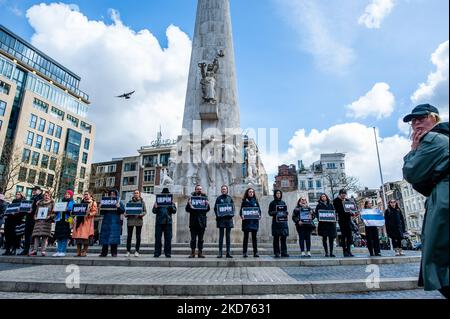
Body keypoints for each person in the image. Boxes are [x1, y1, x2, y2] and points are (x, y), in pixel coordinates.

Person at [402, 104, 449, 298]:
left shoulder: (433, 139)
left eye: (421, 118)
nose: (415, 123)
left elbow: (412, 172)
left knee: (437, 260)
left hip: (444, 200)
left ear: (434, 118)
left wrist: (413, 150)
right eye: (413, 121)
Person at [185, 185, 210, 258]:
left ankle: (200, 253)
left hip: (202, 222)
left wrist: (207, 204)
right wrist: (189, 204)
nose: (199, 190)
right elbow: (187, 209)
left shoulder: (204, 198)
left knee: (201, 239)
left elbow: (207, 209)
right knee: (193, 239)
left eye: (200, 189)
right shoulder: (191, 198)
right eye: (198, 189)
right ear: (195, 190)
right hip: (193, 222)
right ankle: (192, 253)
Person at [99, 189, 125, 257]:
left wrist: (119, 207)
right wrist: (100, 207)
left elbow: (123, 211)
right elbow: (102, 213)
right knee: (105, 237)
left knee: (114, 237)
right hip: (106, 221)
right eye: (111, 193)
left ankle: (114, 252)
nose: (112, 195)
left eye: (113, 194)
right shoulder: (105, 202)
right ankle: (104, 252)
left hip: (115, 221)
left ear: (116, 195)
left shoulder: (119, 202)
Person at [152, 188, 177, 258]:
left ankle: (168, 253)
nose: (165, 195)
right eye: (164, 194)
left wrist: (171, 205)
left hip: (168, 222)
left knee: (168, 239)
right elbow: (154, 211)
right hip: (159, 222)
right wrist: (156, 207)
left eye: (167, 194)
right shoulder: (158, 201)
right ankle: (157, 253)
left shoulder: (171, 202)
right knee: (157, 239)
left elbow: (174, 211)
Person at [18, 186, 43, 255]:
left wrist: (33, 210)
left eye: (35, 190)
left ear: (40, 190)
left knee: (33, 235)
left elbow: (41, 208)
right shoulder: (32, 198)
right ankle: (26, 250)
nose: (33, 191)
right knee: (27, 234)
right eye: (33, 190)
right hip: (29, 218)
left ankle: (33, 250)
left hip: (35, 219)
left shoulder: (41, 198)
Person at [72, 191, 97, 257]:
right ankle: (78, 252)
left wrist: (89, 214)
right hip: (79, 222)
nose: (85, 195)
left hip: (87, 222)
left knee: (86, 238)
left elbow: (94, 211)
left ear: (90, 195)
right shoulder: (81, 202)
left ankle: (84, 251)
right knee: (78, 238)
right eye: (84, 194)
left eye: (86, 194)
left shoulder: (92, 202)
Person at [29, 191, 54, 256]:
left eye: (48, 195)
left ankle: (43, 250)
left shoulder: (52, 203)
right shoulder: (39, 203)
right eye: (45, 195)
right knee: (36, 236)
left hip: (46, 222)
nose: (46, 196)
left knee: (44, 237)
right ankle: (35, 250)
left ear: (50, 196)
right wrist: (35, 216)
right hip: (38, 221)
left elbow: (54, 213)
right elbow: (36, 212)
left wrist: (50, 216)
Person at [214, 185, 235, 258]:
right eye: (222, 189)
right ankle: (220, 253)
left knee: (228, 237)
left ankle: (228, 253)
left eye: (225, 189)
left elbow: (233, 208)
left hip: (228, 220)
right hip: (221, 220)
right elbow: (215, 208)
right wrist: (218, 215)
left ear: (227, 190)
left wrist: (232, 214)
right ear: (221, 190)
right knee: (221, 237)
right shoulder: (218, 198)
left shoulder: (230, 198)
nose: (223, 190)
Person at [239, 188, 261, 258]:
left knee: (254, 238)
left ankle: (255, 252)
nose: (251, 193)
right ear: (247, 193)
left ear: (254, 193)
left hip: (254, 222)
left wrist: (259, 215)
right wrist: (242, 216)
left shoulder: (256, 201)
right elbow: (241, 211)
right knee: (246, 238)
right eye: (249, 192)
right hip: (246, 222)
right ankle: (244, 252)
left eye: (252, 192)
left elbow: (259, 211)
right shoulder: (244, 201)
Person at [125, 190, 147, 257]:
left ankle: (137, 251)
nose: (136, 194)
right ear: (133, 194)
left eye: (137, 193)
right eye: (135, 193)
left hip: (138, 221)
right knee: (129, 237)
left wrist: (142, 214)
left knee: (138, 237)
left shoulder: (142, 202)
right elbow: (126, 211)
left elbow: (145, 211)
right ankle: (128, 251)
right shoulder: (129, 202)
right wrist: (125, 214)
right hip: (130, 221)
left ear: (139, 194)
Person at [53, 190, 75, 257]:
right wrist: (55, 211)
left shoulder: (72, 202)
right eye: (66, 194)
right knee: (59, 237)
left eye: (68, 194)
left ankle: (63, 251)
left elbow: (72, 212)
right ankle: (58, 250)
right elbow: (56, 212)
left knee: (64, 237)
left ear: (71, 195)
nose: (66, 195)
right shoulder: (61, 202)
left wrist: (67, 210)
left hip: (67, 221)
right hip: (59, 220)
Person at [334, 189, 354, 257]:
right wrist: (347, 212)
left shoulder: (348, 201)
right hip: (342, 220)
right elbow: (338, 210)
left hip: (348, 220)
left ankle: (349, 250)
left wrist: (352, 213)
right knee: (343, 236)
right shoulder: (336, 200)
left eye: (345, 194)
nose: (344, 195)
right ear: (340, 194)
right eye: (342, 194)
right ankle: (344, 251)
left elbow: (351, 209)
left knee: (349, 236)